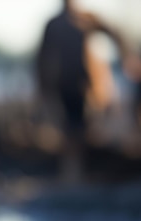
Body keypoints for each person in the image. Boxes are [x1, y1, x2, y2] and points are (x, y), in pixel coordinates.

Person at [35, 0, 139, 183]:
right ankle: (75, 174)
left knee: (83, 128)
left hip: (86, 84)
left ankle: (87, 172)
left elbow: (115, 34)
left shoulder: (86, 19)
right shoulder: (53, 25)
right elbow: (42, 60)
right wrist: (44, 89)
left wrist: (126, 58)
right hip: (66, 85)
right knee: (73, 129)